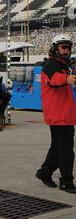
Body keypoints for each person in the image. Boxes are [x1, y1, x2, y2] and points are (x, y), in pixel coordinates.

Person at [36, 34, 76, 193]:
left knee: (58, 148)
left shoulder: (64, 64)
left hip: (65, 114)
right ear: (55, 48)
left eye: (69, 47)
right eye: (63, 47)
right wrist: (67, 79)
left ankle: (44, 172)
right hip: (59, 115)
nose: (67, 50)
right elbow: (54, 79)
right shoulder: (51, 65)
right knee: (65, 149)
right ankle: (66, 181)